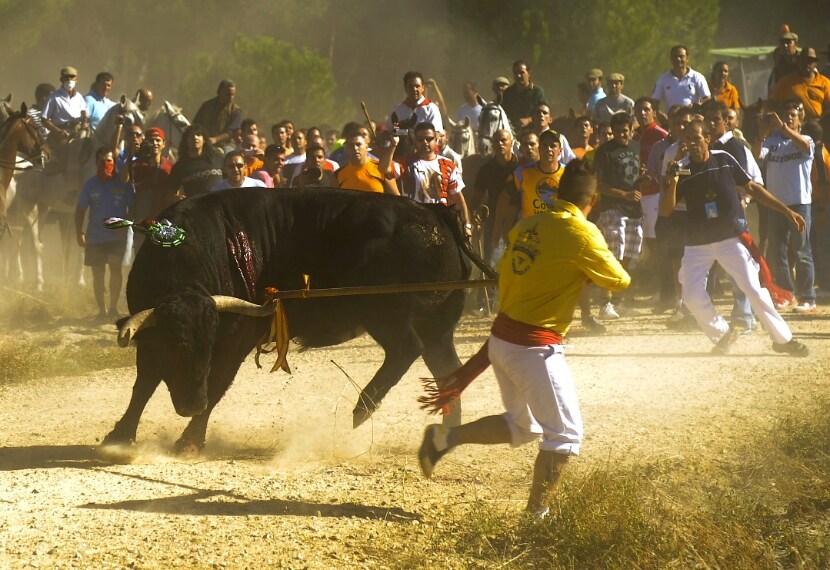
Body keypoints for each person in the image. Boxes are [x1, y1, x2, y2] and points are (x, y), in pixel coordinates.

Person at [417, 159, 631, 518]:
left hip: (502, 344)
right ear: (592, 201)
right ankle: (535, 520)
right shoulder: (583, 232)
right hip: (533, 349)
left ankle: (444, 439)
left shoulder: (527, 225)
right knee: (564, 438)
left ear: (558, 193)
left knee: (525, 425)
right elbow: (619, 281)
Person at [661, 119, 808, 356]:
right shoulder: (682, 168)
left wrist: (786, 210)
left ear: (707, 138)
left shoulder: (724, 160)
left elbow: (753, 188)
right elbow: (666, 210)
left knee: (753, 287)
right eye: (687, 139)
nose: (692, 143)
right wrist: (673, 178)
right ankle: (723, 333)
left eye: (696, 138)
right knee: (689, 294)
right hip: (697, 243)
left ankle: (783, 340)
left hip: (730, 238)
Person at [754, 101, 817, 313]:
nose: (788, 118)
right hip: (776, 204)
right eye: (785, 115)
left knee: (801, 251)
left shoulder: (805, 139)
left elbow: (806, 147)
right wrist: (762, 133)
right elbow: (756, 156)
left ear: (801, 119)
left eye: (792, 115)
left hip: (799, 204)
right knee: (777, 250)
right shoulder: (772, 141)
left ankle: (808, 297)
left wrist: (783, 128)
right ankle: (785, 294)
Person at [75, 147, 133, 319]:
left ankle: (113, 307)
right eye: (102, 161)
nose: (105, 164)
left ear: (114, 163)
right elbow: (80, 210)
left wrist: (125, 226)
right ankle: (102, 310)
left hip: (117, 235)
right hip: (95, 237)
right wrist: (79, 232)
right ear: (96, 163)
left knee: (115, 268)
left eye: (109, 160)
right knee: (98, 274)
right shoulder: (89, 184)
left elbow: (133, 208)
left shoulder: (123, 184)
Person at [594, 112, 642, 318]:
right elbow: (599, 184)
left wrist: (644, 179)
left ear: (631, 129)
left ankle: (619, 300)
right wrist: (624, 194)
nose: (623, 133)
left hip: (635, 211)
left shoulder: (636, 148)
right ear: (612, 131)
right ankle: (604, 303)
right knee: (613, 254)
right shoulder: (604, 152)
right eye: (619, 130)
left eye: (626, 130)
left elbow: (635, 177)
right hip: (613, 208)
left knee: (630, 255)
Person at [401, 123, 471, 232]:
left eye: (429, 139)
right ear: (415, 141)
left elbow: (458, 198)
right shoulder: (404, 163)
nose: (425, 142)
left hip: (441, 225)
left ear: (436, 139)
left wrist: (466, 225)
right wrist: (392, 145)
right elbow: (385, 169)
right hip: (413, 224)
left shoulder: (448, 164)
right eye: (420, 139)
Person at [633, 97, 669, 280]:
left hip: (655, 192)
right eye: (638, 110)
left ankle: (664, 281)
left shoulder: (661, 134)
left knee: (656, 240)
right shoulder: (634, 135)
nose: (642, 113)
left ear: (654, 112)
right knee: (647, 239)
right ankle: (657, 279)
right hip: (640, 192)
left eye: (646, 109)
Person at [769, 47, 830, 120]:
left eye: (809, 61)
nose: (806, 64)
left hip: (817, 125)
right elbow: (772, 103)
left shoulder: (824, 82)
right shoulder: (787, 81)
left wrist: (821, 121)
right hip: (793, 123)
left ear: (815, 64)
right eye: (803, 61)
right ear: (798, 62)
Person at [166, 124, 224, 197]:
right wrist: (176, 198)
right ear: (186, 141)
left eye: (198, 134)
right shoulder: (179, 167)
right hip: (196, 206)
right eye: (191, 136)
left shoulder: (218, 158)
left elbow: (231, 179)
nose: (195, 137)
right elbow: (170, 193)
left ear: (204, 139)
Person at [652, 45, 711, 110]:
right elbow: (654, 102)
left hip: (692, 117)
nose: (678, 59)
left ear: (687, 58)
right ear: (671, 59)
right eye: (675, 56)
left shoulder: (698, 77)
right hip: (671, 118)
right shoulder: (663, 79)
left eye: (681, 56)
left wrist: (698, 106)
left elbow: (707, 99)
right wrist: (659, 114)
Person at [192, 79, 242, 149]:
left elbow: (230, 132)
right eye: (228, 94)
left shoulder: (235, 111)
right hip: (203, 142)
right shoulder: (206, 106)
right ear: (220, 92)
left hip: (225, 145)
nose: (231, 98)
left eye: (233, 95)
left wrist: (215, 139)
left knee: (229, 156)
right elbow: (196, 124)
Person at [500, 60, 546, 131]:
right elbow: (502, 113)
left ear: (529, 73)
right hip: (511, 133)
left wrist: (529, 120)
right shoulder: (508, 93)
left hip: (533, 133)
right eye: (516, 73)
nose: (518, 76)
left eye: (522, 72)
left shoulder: (537, 92)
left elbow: (545, 113)